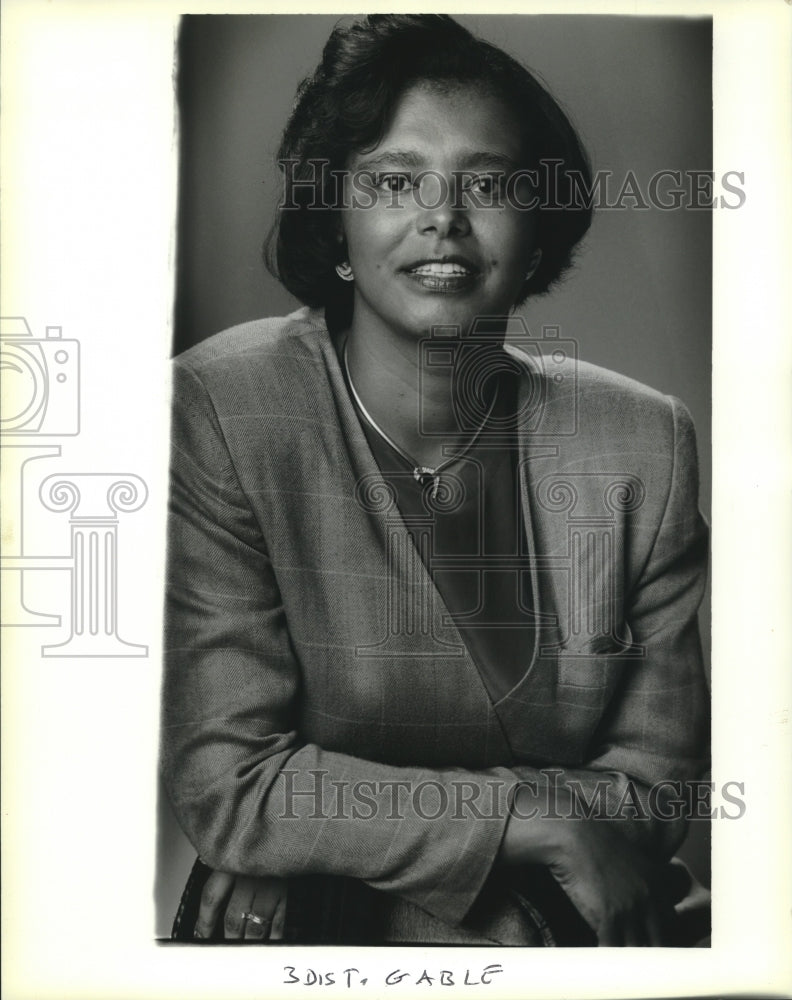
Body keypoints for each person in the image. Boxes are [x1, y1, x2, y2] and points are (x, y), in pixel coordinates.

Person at [162, 14, 710, 946]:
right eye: (392, 179)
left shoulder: (642, 442)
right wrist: (542, 823)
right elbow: (234, 784)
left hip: (566, 935)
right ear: (333, 222)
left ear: (536, 235)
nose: (442, 217)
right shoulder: (223, 412)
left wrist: (324, 838)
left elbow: (656, 789)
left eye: (488, 185)